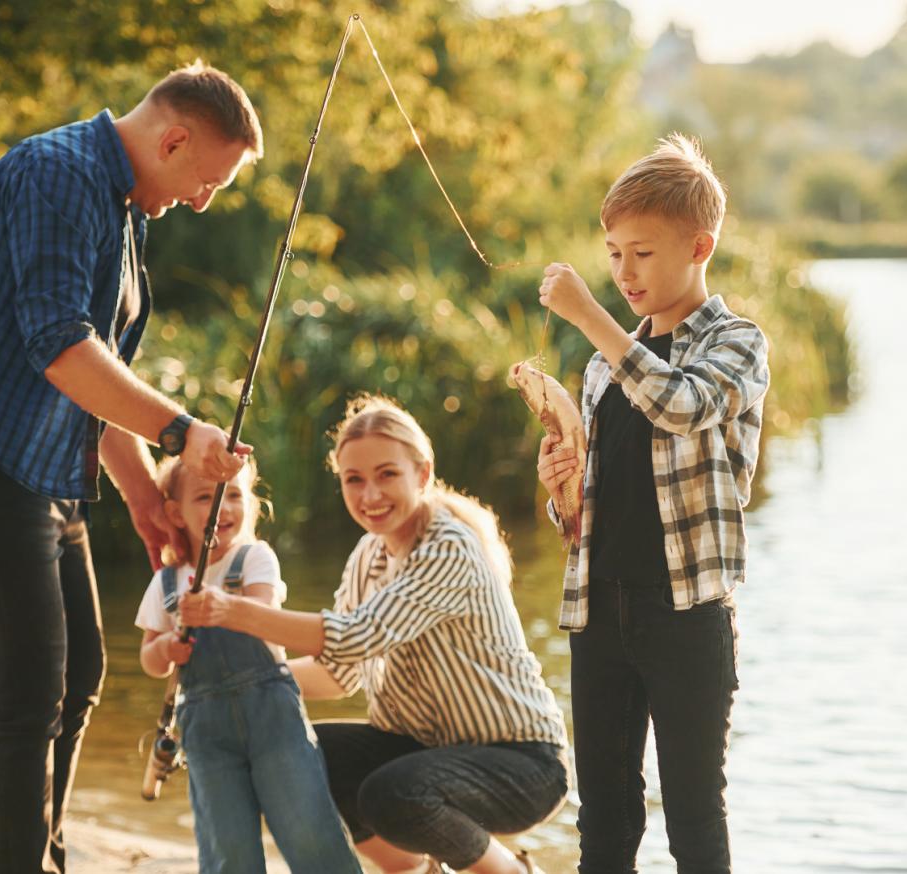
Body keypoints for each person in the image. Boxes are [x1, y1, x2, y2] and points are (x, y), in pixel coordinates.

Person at [0, 62, 263, 873]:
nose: (203, 200)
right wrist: (183, 430)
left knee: (82, 671)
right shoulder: (60, 172)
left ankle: (44, 856)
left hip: (40, 468)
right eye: (208, 181)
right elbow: (60, 346)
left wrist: (145, 499)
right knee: (29, 694)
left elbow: (97, 375)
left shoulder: (121, 206)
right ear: (174, 138)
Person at [181, 395, 567, 874]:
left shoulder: (450, 546)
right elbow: (339, 672)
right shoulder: (368, 555)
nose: (370, 496)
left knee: (394, 793)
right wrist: (227, 692)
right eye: (354, 480)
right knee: (298, 756)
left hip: (522, 765)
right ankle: (413, 869)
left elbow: (355, 635)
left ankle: (508, 871)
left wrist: (230, 612)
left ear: (422, 474)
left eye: (387, 474)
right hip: (423, 751)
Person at [534, 133, 771, 873]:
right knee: (604, 816)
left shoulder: (736, 343)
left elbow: (680, 404)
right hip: (599, 609)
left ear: (699, 246)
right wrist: (560, 489)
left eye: (642, 252)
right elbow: (589, 514)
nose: (623, 272)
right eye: (612, 253)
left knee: (695, 819)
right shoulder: (603, 370)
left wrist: (588, 317)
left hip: (687, 615)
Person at [135, 457, 361, 873]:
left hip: (273, 718)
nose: (224, 508)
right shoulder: (165, 582)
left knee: (308, 826)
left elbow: (264, 615)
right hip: (205, 729)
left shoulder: (255, 558)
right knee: (227, 844)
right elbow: (150, 659)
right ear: (174, 512)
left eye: (234, 495)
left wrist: (221, 608)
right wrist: (167, 646)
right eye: (206, 497)